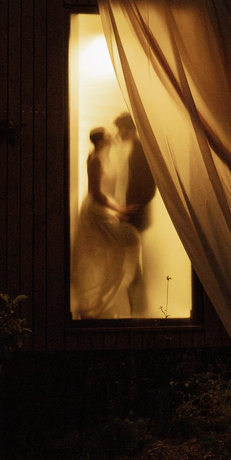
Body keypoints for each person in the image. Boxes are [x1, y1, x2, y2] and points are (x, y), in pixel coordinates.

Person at [71, 127, 141, 319]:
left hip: (105, 209)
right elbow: (96, 193)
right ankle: (95, 303)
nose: (112, 136)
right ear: (101, 141)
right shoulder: (95, 160)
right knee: (114, 252)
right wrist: (119, 210)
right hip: (96, 211)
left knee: (116, 251)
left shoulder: (106, 157)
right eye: (108, 135)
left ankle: (105, 301)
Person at [113, 112, 156, 232]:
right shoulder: (123, 148)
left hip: (134, 214)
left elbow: (149, 185)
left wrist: (132, 210)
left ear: (130, 129)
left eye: (120, 129)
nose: (118, 133)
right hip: (122, 209)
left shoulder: (141, 150)